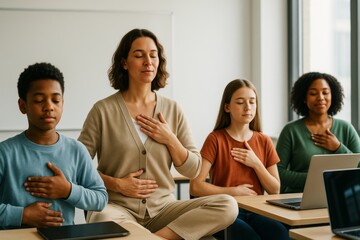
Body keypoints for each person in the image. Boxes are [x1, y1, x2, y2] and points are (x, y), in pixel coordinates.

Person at [78, 28, 238, 240]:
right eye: (139, 55)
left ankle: (157, 238)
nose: (148, 61)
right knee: (100, 218)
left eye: (153, 55)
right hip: (117, 208)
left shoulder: (173, 109)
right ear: (124, 63)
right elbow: (78, 167)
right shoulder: (103, 110)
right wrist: (117, 184)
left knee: (228, 204)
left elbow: (193, 169)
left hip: (164, 210)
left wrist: (170, 139)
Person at [0, 62, 108, 229]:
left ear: (62, 104)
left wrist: (68, 190)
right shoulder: (4, 153)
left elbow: (100, 198)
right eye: (39, 100)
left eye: (55, 100)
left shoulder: (76, 150)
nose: (49, 107)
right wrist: (24, 215)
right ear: (23, 106)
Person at [190, 79, 290, 240]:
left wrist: (256, 163)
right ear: (227, 107)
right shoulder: (215, 139)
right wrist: (233, 192)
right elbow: (196, 186)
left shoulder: (264, 141)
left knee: (282, 235)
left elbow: (275, 189)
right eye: (240, 102)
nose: (248, 107)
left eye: (252, 102)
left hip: (258, 211)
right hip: (226, 212)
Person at [276, 72, 360, 193]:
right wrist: (317, 179)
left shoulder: (345, 128)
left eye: (325, 92)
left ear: (333, 96)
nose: (320, 97)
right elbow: (278, 172)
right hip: (298, 196)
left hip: (338, 195)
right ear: (304, 98)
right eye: (313, 93)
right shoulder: (291, 130)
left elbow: (358, 166)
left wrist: (338, 148)